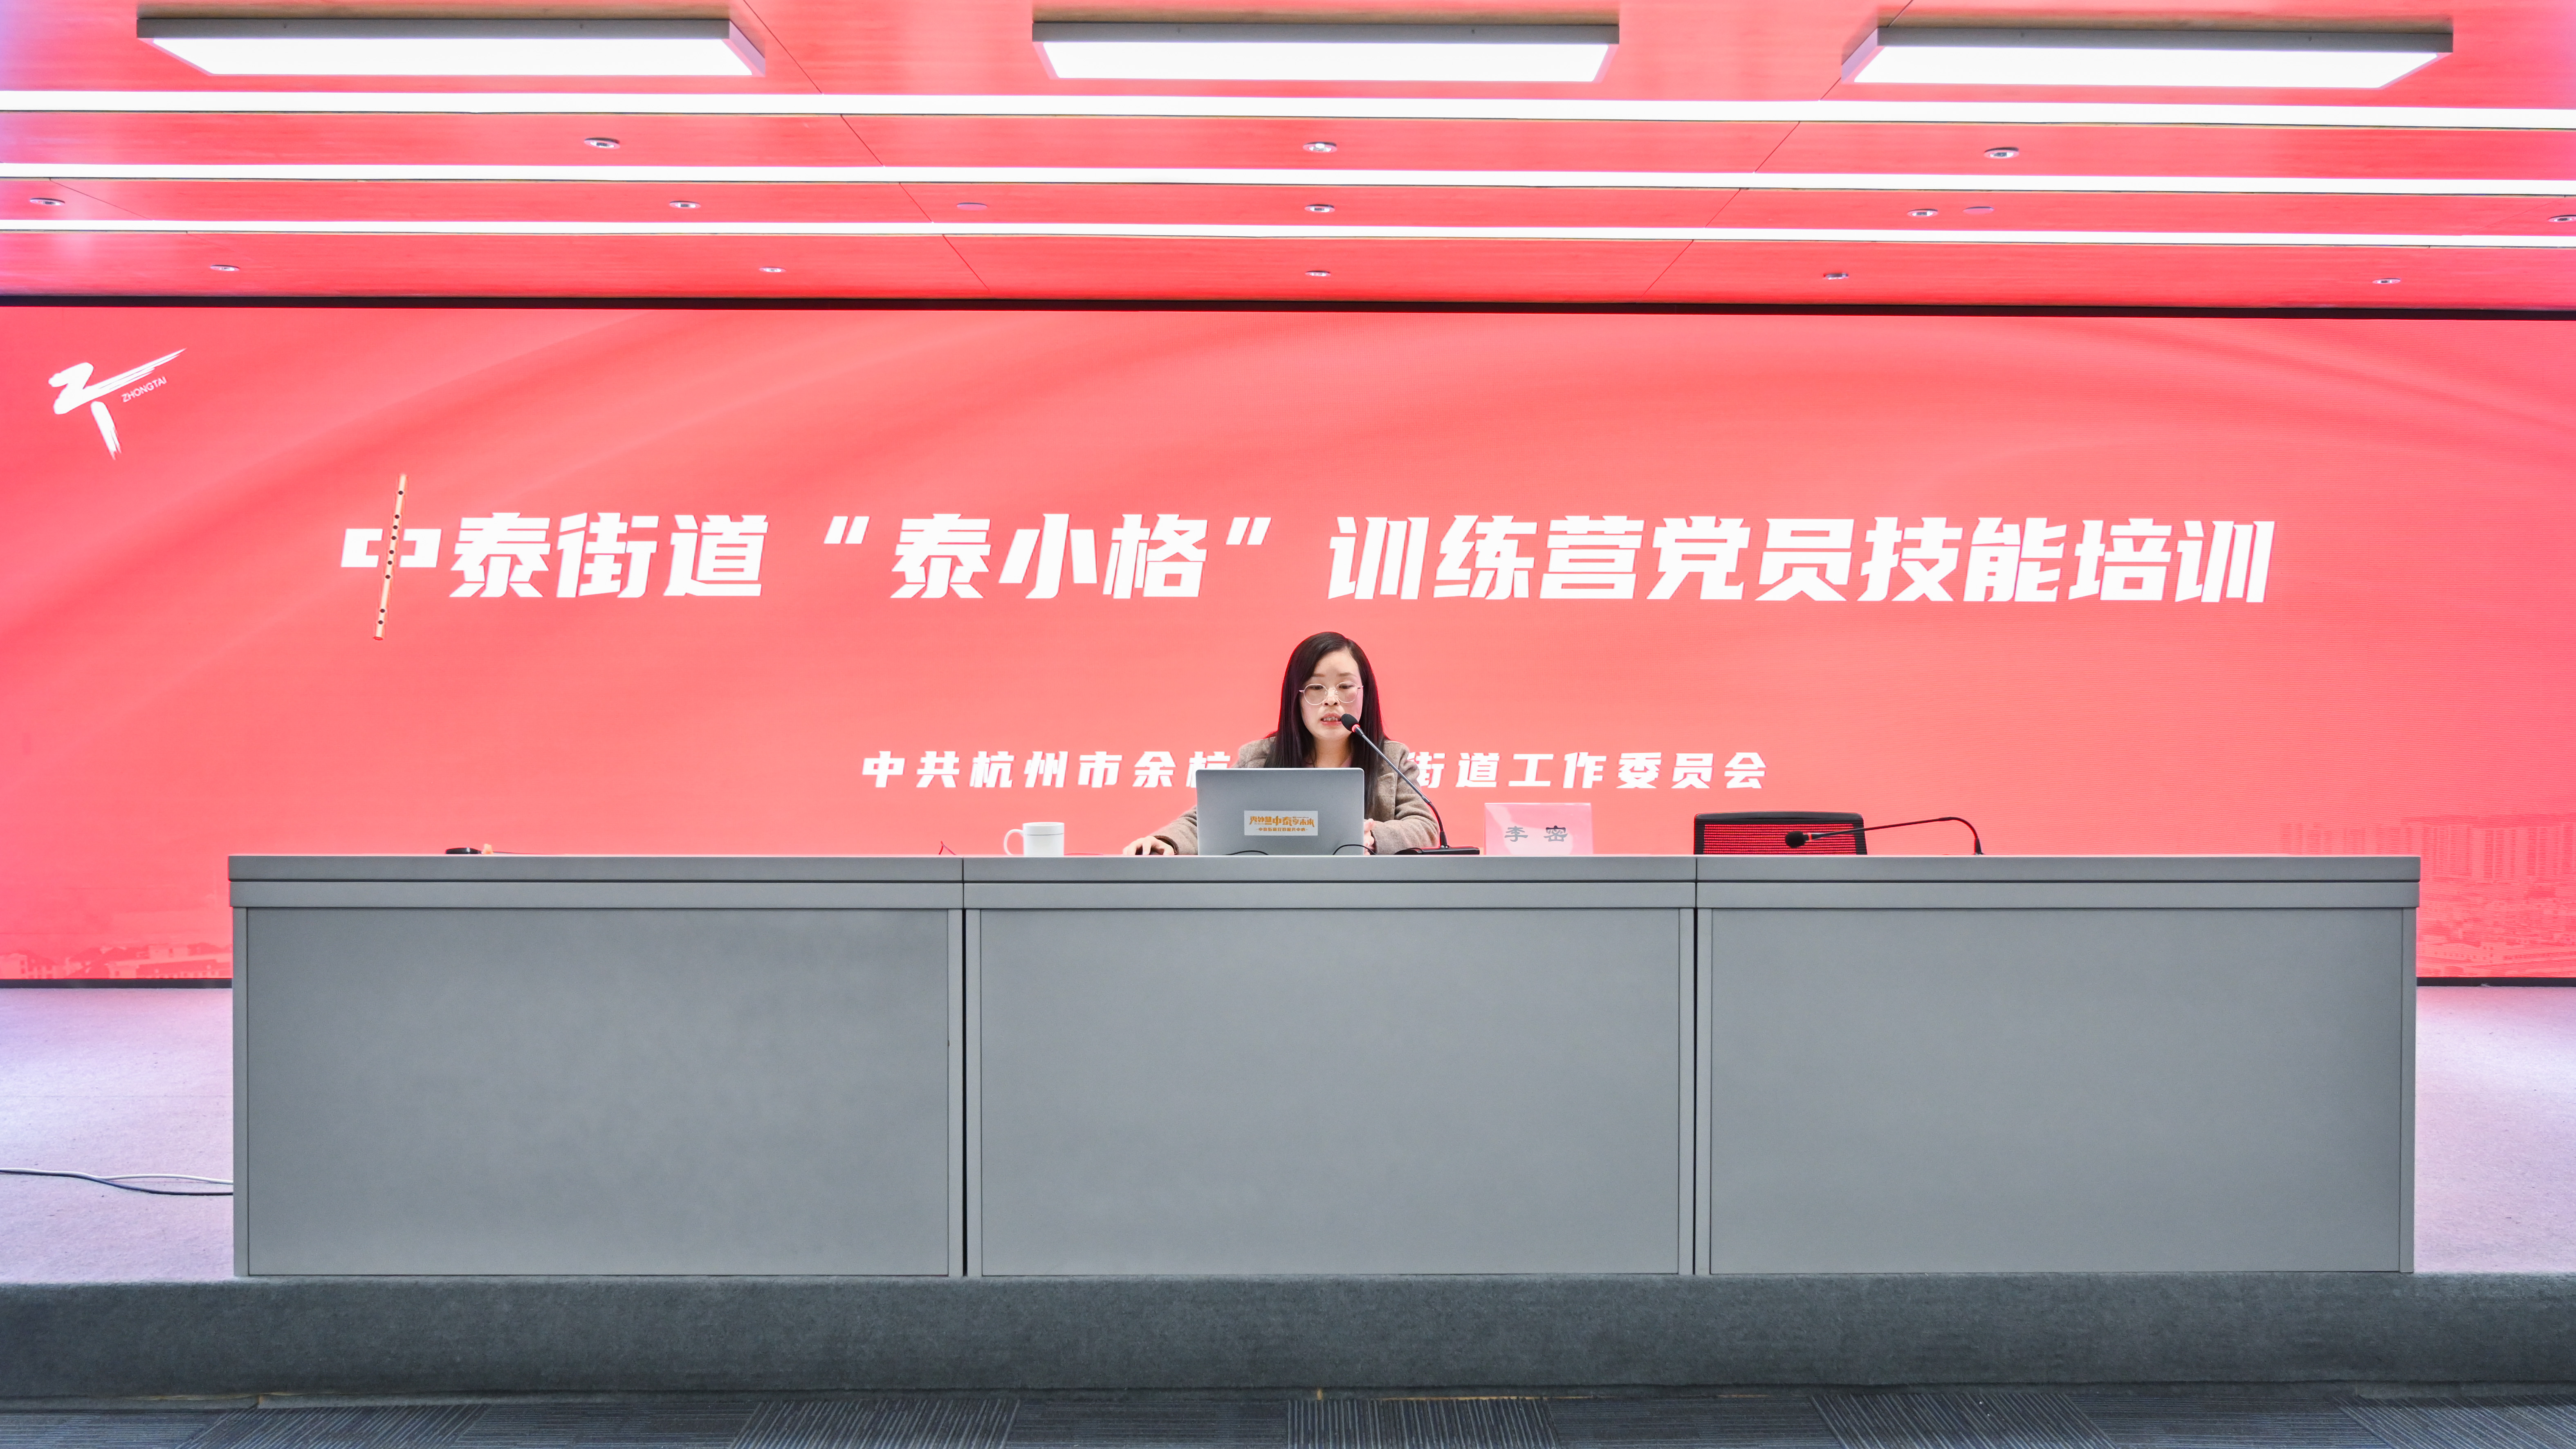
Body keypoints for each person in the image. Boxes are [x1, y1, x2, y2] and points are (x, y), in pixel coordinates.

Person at [1123, 631, 1439, 856]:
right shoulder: (1259, 758)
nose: (1332, 700)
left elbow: (1425, 826)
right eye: (1316, 688)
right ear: (1295, 698)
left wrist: (1373, 836)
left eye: (1345, 686)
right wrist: (1167, 841)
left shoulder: (1390, 758)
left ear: (1365, 694)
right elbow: (1207, 820)